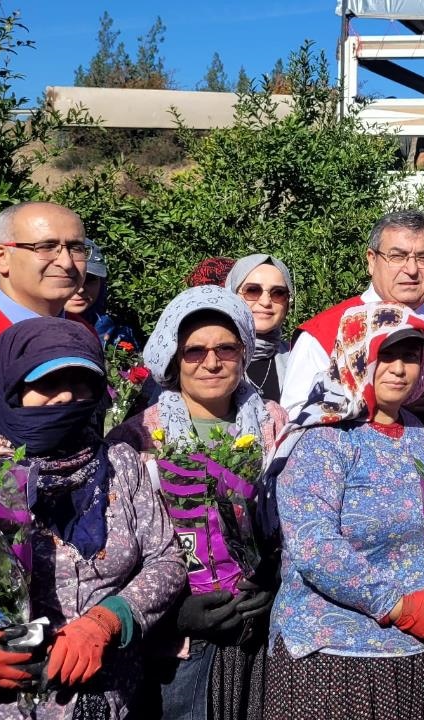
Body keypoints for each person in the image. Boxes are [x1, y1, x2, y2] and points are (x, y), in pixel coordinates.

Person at [0, 316, 186, 718]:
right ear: (10, 388)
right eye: (48, 383)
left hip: (110, 700)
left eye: (80, 382)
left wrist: (108, 619)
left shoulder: (120, 463)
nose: (67, 396)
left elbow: (166, 558)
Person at [263, 302, 424, 720]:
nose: (399, 369)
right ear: (357, 355)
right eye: (385, 355)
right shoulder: (325, 437)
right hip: (335, 657)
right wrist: (399, 607)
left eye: (410, 356)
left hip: (413, 650)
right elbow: (314, 545)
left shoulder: (415, 430)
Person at [108, 285, 286, 720]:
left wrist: (273, 577)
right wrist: (173, 612)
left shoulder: (274, 424)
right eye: (194, 351)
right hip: (179, 645)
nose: (211, 362)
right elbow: (121, 548)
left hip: (261, 630)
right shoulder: (137, 438)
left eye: (226, 348)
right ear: (174, 357)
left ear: (244, 353)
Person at [280, 210, 424, 428]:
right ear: (372, 260)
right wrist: (390, 402)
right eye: (397, 256)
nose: (412, 270)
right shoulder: (323, 333)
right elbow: (295, 418)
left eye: (423, 258)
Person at [0, 201, 91, 417]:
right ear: (1, 256)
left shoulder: (84, 333)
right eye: (46, 247)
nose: (66, 262)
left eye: (76, 248)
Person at [224, 254, 294, 404]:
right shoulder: (208, 356)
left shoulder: (299, 358)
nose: (265, 302)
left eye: (278, 293)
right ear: (232, 296)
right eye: (252, 290)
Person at [64, 240, 139, 349]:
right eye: (70, 278)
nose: (80, 289)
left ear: (102, 284)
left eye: (89, 279)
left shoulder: (118, 336)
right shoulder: (39, 331)